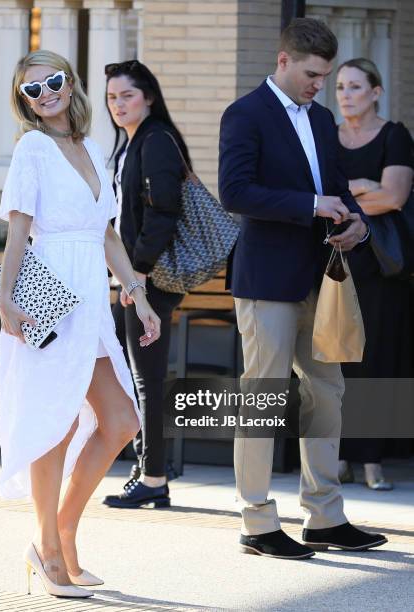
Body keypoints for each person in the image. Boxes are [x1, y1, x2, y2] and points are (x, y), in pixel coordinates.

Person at [219, 18, 387, 560]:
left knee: (327, 393)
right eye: (313, 74)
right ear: (285, 60)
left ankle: (325, 518)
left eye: (327, 75)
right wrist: (310, 206)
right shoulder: (244, 114)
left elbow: (335, 187)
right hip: (266, 280)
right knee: (262, 396)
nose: (320, 84)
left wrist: (357, 221)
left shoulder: (319, 119)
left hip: (321, 277)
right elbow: (235, 191)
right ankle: (256, 522)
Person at [0, 50, 161, 598]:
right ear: (23, 102)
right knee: (56, 422)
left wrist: (138, 296)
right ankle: (46, 548)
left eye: (54, 82)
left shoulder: (92, 146)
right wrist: (6, 300)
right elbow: (18, 233)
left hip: (90, 298)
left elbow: (107, 234)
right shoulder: (32, 150)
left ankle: (63, 529)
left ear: (72, 83)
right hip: (49, 291)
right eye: (32, 91)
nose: (46, 95)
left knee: (120, 421)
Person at [101, 60, 188, 508]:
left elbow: (164, 212)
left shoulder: (155, 141)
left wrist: (136, 273)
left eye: (127, 96)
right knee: (137, 376)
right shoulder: (132, 143)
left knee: (146, 378)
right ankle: (147, 466)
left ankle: (154, 475)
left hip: (147, 280)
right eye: (112, 97)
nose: (118, 104)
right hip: (136, 277)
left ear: (148, 97)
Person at [335, 58, 414, 490]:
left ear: (376, 92)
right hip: (334, 261)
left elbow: (395, 197)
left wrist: (354, 190)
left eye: (355, 87)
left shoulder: (394, 135)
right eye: (341, 87)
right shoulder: (327, 136)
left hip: (381, 263)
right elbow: (319, 194)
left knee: (378, 358)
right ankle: (341, 455)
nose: (346, 95)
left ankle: (373, 460)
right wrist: (365, 187)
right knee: (337, 359)